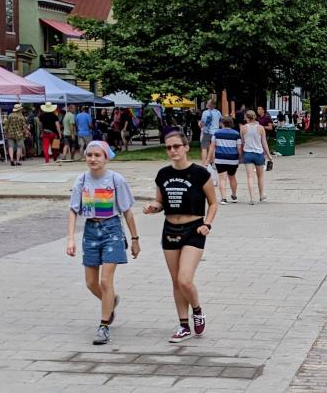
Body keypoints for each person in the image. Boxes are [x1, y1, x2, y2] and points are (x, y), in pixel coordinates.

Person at [143, 130, 218, 344]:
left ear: (186, 147)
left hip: (194, 229)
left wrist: (207, 224)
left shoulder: (200, 173)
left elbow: (213, 203)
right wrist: (152, 207)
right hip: (170, 230)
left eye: (176, 146)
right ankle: (183, 325)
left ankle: (197, 310)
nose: (173, 150)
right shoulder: (163, 174)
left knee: (185, 279)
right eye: (169, 147)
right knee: (176, 281)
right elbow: (160, 203)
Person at [66, 140, 140, 346]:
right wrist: (70, 238)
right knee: (91, 283)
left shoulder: (116, 180)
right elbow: (73, 210)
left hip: (112, 230)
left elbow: (127, 211)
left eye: (98, 155)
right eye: (89, 155)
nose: (93, 159)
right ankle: (111, 301)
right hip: (90, 230)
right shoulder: (81, 181)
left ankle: (104, 326)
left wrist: (135, 239)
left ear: (106, 158)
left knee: (105, 281)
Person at [206, 115, 242, 204]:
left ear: (222, 123)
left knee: (222, 178)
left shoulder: (217, 133)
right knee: (232, 177)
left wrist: (208, 159)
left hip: (220, 159)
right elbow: (239, 148)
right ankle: (234, 196)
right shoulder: (236, 134)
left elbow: (212, 147)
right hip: (233, 159)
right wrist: (240, 158)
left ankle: (223, 198)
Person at [240, 110, 273, 203]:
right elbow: (264, 143)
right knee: (260, 176)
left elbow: (242, 143)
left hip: (248, 154)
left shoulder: (243, 128)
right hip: (259, 154)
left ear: (246, 117)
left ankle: (251, 198)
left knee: (250, 177)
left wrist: (241, 155)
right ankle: (262, 194)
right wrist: (268, 155)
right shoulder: (261, 128)